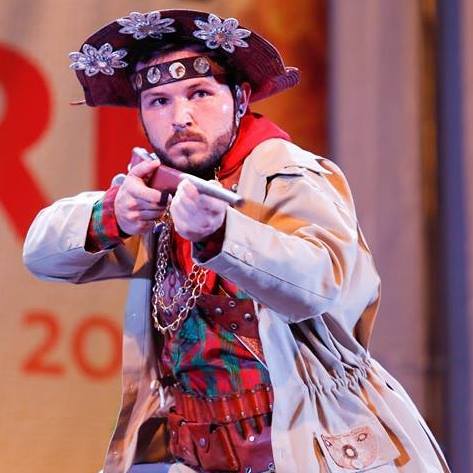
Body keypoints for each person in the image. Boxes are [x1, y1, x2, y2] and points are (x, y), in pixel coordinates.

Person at [23, 9, 450, 473]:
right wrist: (113, 214)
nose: (180, 117)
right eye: (159, 101)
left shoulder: (288, 174)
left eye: (200, 94)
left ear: (240, 98)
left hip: (308, 446)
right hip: (196, 452)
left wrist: (222, 235)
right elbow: (41, 254)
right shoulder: (157, 193)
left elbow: (321, 285)